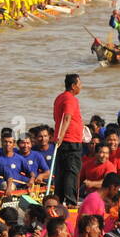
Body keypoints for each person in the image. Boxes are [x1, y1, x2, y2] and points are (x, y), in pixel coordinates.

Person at [52, 73, 84, 206]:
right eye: (79, 84)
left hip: (63, 141)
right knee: (71, 171)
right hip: (70, 141)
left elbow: (56, 118)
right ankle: (71, 202)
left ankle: (58, 200)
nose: (81, 86)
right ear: (73, 86)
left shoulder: (59, 98)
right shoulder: (70, 99)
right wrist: (62, 136)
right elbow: (66, 118)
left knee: (62, 171)